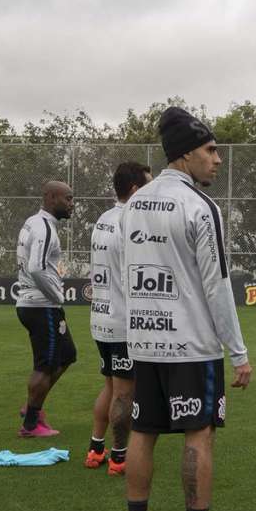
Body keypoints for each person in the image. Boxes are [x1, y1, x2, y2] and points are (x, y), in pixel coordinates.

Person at [121, 107, 252, 511]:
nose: (217, 160)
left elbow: (124, 274)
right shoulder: (200, 206)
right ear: (185, 155)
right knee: (199, 434)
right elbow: (217, 285)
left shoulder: (134, 203)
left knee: (143, 431)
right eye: (211, 150)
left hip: (144, 342)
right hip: (191, 345)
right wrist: (238, 353)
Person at [85, 162, 152, 475]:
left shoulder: (103, 218)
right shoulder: (131, 222)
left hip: (101, 318)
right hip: (124, 322)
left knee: (110, 387)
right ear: (137, 190)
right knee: (125, 392)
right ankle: (119, 455)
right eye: (149, 186)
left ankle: (96, 448)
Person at [15, 181, 77, 437]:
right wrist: (55, 296)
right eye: (68, 199)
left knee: (67, 355)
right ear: (51, 198)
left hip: (34, 304)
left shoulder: (33, 222)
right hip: (41, 305)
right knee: (45, 365)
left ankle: (32, 405)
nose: (72, 204)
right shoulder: (45, 228)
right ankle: (31, 424)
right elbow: (36, 267)